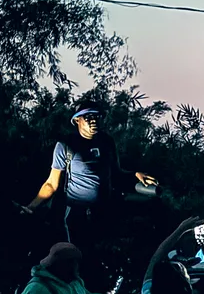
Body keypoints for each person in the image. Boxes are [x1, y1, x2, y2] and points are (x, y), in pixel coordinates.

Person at [23, 104, 157, 253]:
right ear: (77, 121)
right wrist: (31, 207)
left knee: (105, 254)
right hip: (76, 213)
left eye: (96, 117)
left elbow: (116, 174)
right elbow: (51, 184)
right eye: (88, 117)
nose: (93, 121)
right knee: (79, 255)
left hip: (104, 211)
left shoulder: (107, 142)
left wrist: (135, 175)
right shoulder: (66, 145)